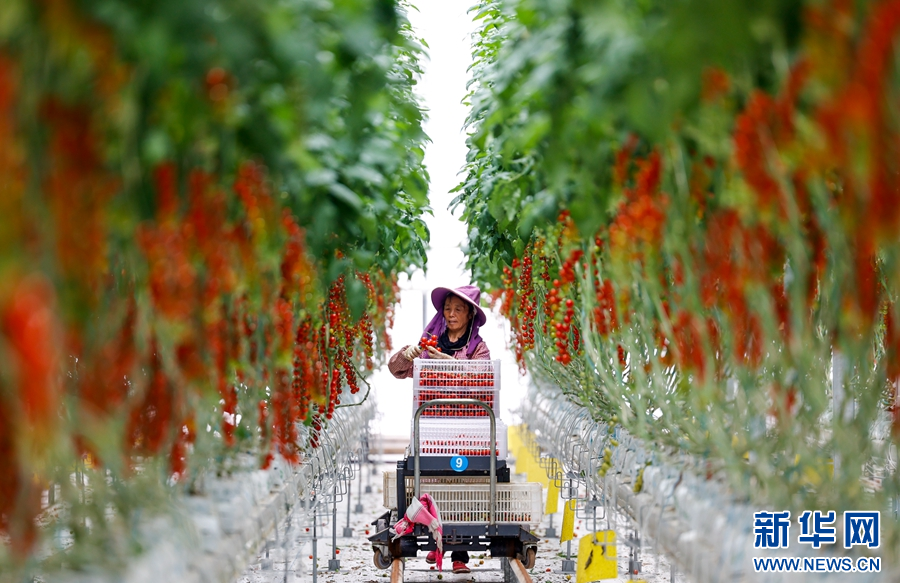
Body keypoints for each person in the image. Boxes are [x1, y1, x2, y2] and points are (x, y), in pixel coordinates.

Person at [388, 284, 490, 574]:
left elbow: (483, 380)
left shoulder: (478, 349)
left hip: (466, 431)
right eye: (448, 308)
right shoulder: (429, 345)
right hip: (431, 427)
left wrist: (452, 366)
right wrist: (408, 355)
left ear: (470, 314)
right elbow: (396, 370)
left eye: (459, 309)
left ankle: (459, 554)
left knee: (461, 486)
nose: (452, 313)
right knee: (432, 484)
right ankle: (436, 543)